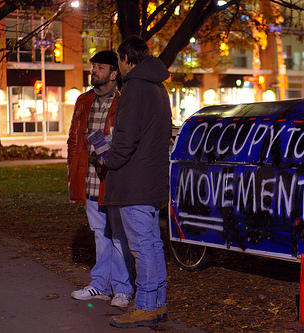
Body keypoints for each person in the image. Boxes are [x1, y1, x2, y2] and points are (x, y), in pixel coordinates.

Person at [104, 36, 171, 328]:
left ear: (125, 59)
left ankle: (145, 306)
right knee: (152, 245)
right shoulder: (159, 87)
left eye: (119, 60)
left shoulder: (133, 88)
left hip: (134, 180)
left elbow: (126, 138)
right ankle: (156, 303)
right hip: (153, 177)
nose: (118, 66)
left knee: (142, 247)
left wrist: (108, 158)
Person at [67, 50, 134, 308]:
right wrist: (73, 172)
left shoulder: (123, 102)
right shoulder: (84, 100)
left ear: (113, 73)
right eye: (93, 66)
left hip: (114, 180)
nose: (93, 70)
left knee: (119, 237)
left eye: (99, 67)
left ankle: (123, 289)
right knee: (100, 235)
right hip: (90, 180)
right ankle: (99, 286)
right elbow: (75, 139)